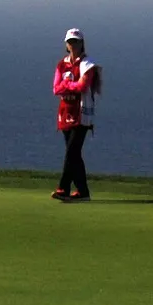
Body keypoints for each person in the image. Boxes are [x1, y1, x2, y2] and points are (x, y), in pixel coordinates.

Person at [51, 28, 101, 202]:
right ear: (66, 44)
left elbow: (83, 86)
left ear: (82, 43)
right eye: (70, 42)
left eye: (76, 42)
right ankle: (83, 191)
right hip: (65, 113)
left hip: (82, 114)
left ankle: (63, 188)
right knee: (74, 153)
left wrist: (67, 85)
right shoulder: (61, 64)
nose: (73, 45)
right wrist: (71, 84)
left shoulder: (88, 64)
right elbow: (56, 88)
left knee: (72, 152)